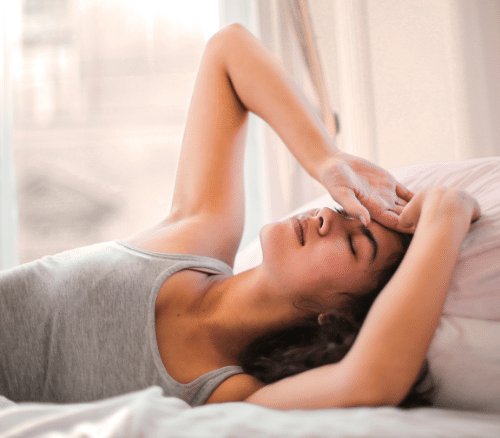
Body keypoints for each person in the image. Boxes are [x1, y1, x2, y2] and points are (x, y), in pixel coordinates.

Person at [0, 24, 479, 409]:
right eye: (343, 209)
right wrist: (327, 159)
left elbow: (373, 380)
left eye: (355, 243)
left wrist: (447, 214)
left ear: (332, 317)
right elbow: (228, 50)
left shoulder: (230, 394)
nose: (328, 218)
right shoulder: (197, 233)